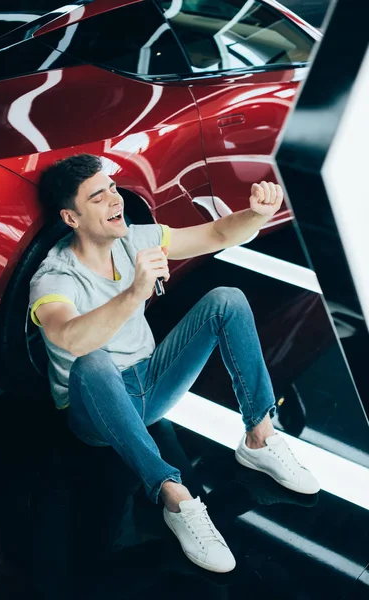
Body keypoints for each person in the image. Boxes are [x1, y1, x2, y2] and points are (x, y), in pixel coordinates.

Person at [29, 154, 320, 574]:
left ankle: (258, 436)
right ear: (70, 217)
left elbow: (219, 231)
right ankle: (174, 497)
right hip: (96, 413)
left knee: (227, 299)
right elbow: (71, 337)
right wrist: (134, 292)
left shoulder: (134, 238)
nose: (115, 199)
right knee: (91, 361)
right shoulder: (53, 278)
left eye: (112, 188)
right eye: (98, 196)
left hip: (151, 384)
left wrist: (255, 216)